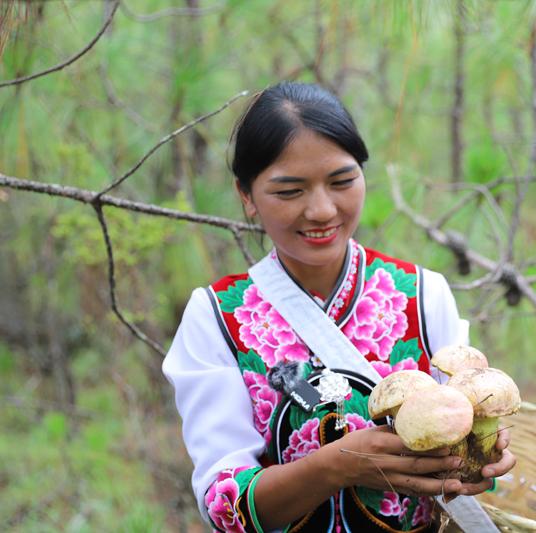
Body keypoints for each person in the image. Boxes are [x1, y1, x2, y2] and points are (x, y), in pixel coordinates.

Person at [163, 82, 516, 533]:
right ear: (247, 196)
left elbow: (461, 456)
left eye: (342, 181)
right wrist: (338, 466)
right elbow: (225, 506)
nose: (322, 210)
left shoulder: (423, 295)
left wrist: (482, 454)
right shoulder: (217, 317)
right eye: (290, 191)